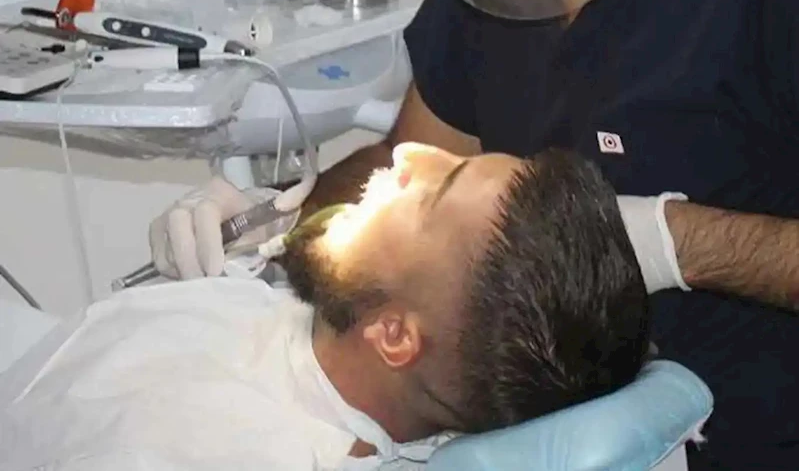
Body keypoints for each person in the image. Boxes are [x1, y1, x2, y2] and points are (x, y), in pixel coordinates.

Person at [150, 0, 799, 468]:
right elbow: (402, 155)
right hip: (526, 425)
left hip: (749, 429)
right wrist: (279, 214)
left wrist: (673, 241)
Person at [1, 147, 649, 470]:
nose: (408, 155)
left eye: (431, 190)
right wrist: (241, 264)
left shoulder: (235, 448)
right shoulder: (324, 335)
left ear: (393, 335)